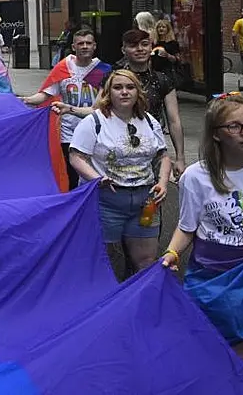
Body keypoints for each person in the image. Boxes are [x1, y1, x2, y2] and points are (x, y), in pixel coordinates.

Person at [162, 92, 243, 365]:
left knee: (239, 349)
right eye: (235, 126)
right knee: (212, 348)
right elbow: (187, 227)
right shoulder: (196, 177)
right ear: (215, 134)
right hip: (212, 275)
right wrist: (171, 253)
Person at [69, 70, 171, 273]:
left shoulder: (149, 121)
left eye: (130, 87)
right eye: (118, 88)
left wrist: (163, 182)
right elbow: (76, 156)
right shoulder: (94, 121)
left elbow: (164, 156)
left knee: (146, 261)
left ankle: (140, 303)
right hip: (107, 200)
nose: (124, 92)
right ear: (108, 93)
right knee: (108, 263)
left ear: (138, 92)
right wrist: (97, 178)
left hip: (146, 201)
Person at [22, 28, 112, 188]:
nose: (85, 46)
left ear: (94, 46)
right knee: (71, 177)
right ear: (73, 47)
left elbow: (97, 108)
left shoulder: (103, 70)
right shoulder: (63, 68)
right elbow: (44, 95)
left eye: (88, 43)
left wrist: (68, 108)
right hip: (69, 134)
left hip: (96, 131)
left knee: (95, 176)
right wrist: (24, 100)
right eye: (81, 43)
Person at [105, 29, 186, 178]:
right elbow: (97, 110)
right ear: (123, 50)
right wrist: (70, 109)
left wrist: (180, 158)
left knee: (153, 196)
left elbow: (174, 120)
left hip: (152, 148)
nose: (140, 49)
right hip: (117, 147)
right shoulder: (113, 79)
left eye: (144, 44)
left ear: (151, 47)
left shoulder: (162, 80)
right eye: (133, 45)